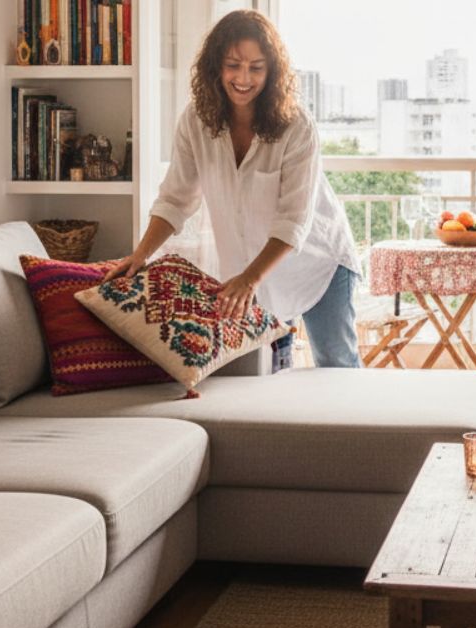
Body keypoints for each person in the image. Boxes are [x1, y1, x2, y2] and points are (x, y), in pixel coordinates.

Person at [107, 9, 361, 368]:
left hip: (319, 265)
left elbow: (293, 220)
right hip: (252, 275)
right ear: (215, 67)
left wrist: (249, 278)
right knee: (269, 377)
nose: (244, 78)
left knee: (338, 371)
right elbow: (175, 199)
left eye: (256, 67)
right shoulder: (196, 121)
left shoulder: (296, 126)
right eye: (233, 65)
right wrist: (140, 255)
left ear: (272, 72)